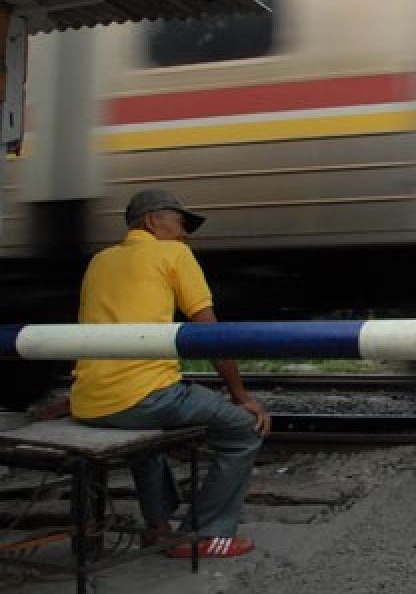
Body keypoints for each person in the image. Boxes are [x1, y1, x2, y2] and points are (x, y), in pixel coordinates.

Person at [69, 189, 270, 558]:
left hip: (90, 400)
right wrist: (242, 396)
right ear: (152, 221)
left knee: (146, 433)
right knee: (243, 431)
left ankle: (159, 530)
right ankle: (205, 535)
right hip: (143, 396)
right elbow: (211, 335)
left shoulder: (99, 260)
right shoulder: (174, 253)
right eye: (179, 222)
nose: (184, 233)